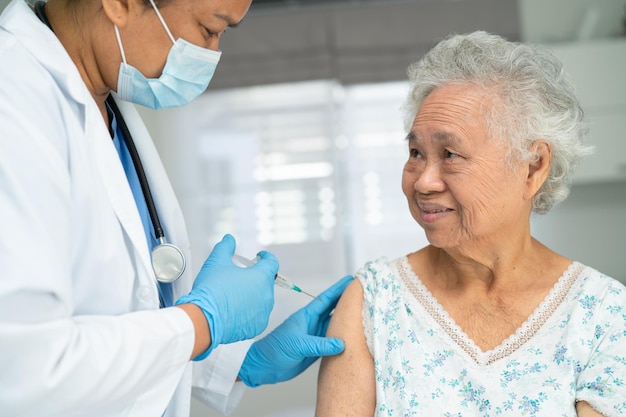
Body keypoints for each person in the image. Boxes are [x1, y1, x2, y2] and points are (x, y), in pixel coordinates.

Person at [0, 0, 352, 415]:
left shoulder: (106, 93)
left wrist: (240, 362)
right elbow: (24, 368)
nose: (212, 53)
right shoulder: (14, 103)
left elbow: (128, 320)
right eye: (209, 28)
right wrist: (203, 323)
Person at [315, 31, 626, 417]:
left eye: (451, 154)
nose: (423, 182)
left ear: (533, 167)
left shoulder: (604, 314)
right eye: (415, 153)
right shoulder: (374, 301)